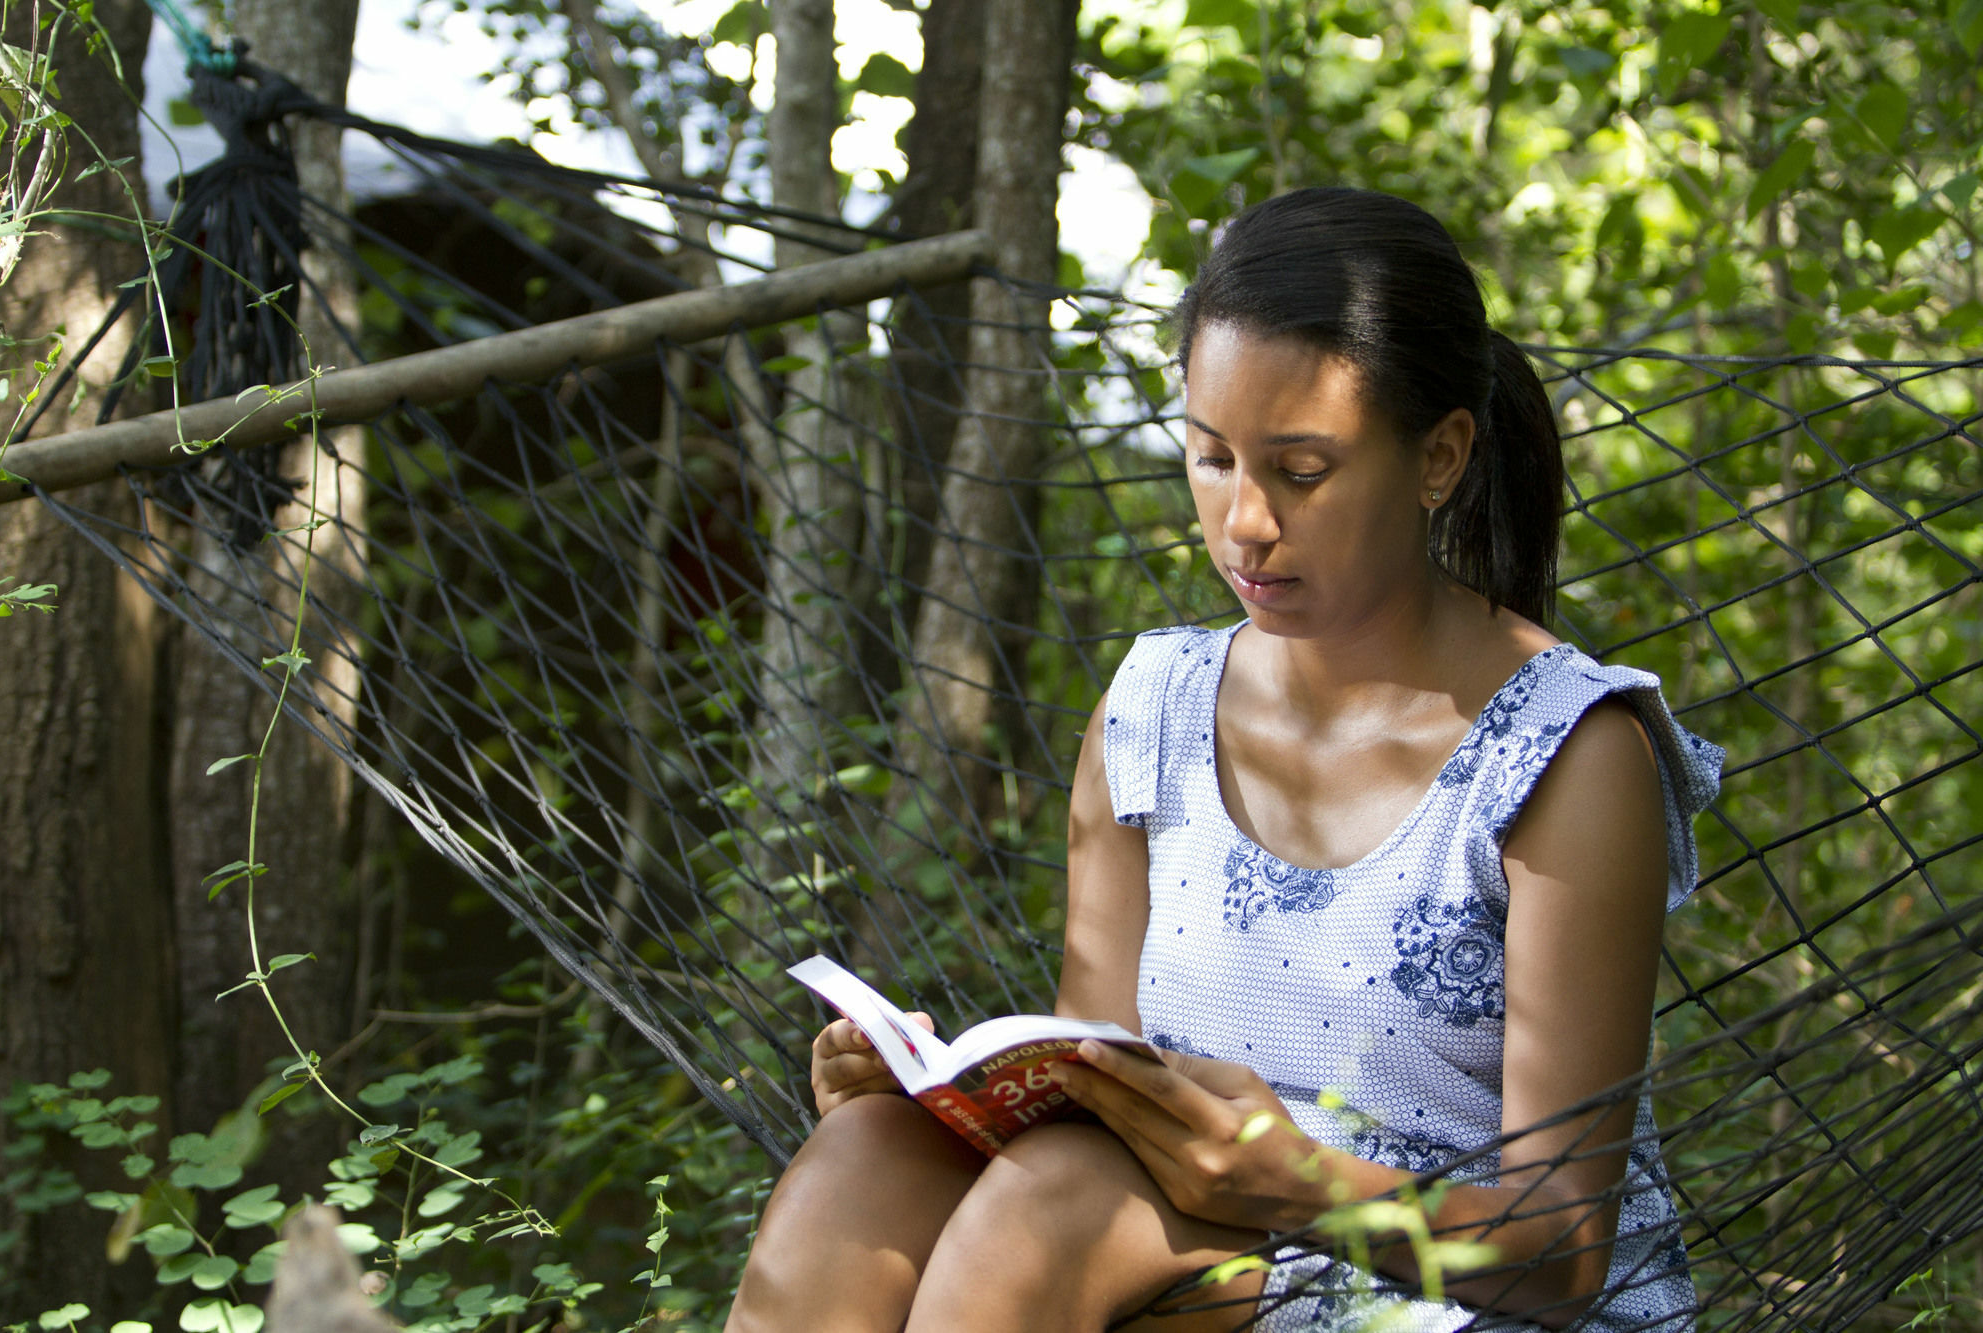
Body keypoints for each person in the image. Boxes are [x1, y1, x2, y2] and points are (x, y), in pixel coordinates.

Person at [724, 186, 1721, 1333]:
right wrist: (950, 1106)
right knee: (866, 1160)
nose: (1244, 520)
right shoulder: (1152, 710)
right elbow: (1096, 1081)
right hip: (1200, 1239)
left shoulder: (1562, 755)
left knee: (1052, 1208)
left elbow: (1561, 1251)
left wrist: (1290, 1181)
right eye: (1209, 458)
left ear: (1439, 455)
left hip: (1450, 1290)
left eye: (1300, 471)